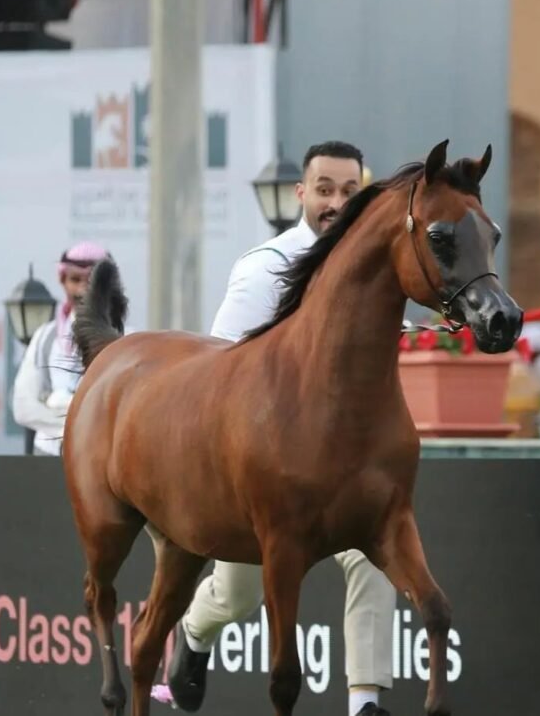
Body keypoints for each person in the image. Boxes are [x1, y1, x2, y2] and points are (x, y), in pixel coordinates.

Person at [169, 141, 397, 716]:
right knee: (237, 595)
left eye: (349, 191)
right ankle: (194, 634)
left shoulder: (378, 269)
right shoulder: (264, 267)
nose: (336, 203)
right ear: (302, 193)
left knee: (374, 552)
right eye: (325, 189)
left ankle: (365, 702)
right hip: (266, 473)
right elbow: (215, 367)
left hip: (343, 467)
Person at [12, 241, 110, 456]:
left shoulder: (128, 341)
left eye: (92, 281)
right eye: (75, 280)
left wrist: (58, 406)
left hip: (103, 459)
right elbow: (23, 406)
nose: (84, 289)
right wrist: (74, 425)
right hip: (49, 454)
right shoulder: (45, 337)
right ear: (63, 281)